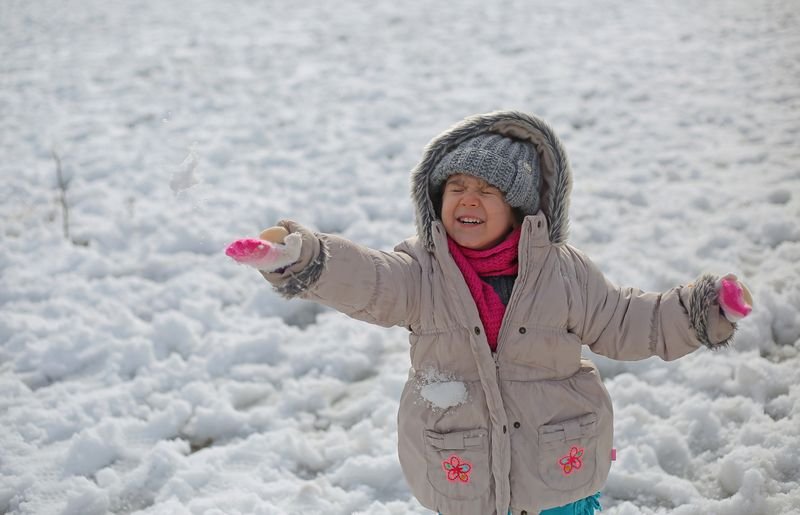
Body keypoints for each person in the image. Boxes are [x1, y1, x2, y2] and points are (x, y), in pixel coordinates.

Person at [226, 111, 753, 515]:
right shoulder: (421, 272)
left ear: (520, 208)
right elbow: (369, 279)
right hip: (464, 465)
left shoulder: (562, 272)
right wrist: (301, 256)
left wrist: (701, 311)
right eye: (456, 188)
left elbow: (626, 322)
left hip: (556, 463)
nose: (467, 199)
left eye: (486, 190)